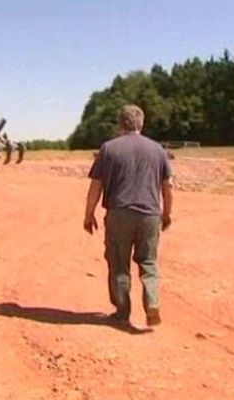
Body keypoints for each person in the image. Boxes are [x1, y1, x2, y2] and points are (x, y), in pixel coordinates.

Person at [83, 104, 173, 327]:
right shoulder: (158, 150)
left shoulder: (108, 149)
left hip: (119, 214)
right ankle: (152, 302)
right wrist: (167, 214)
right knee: (149, 263)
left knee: (119, 264)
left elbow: (96, 185)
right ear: (141, 124)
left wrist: (89, 213)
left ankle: (122, 312)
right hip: (150, 215)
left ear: (120, 124)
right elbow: (168, 187)